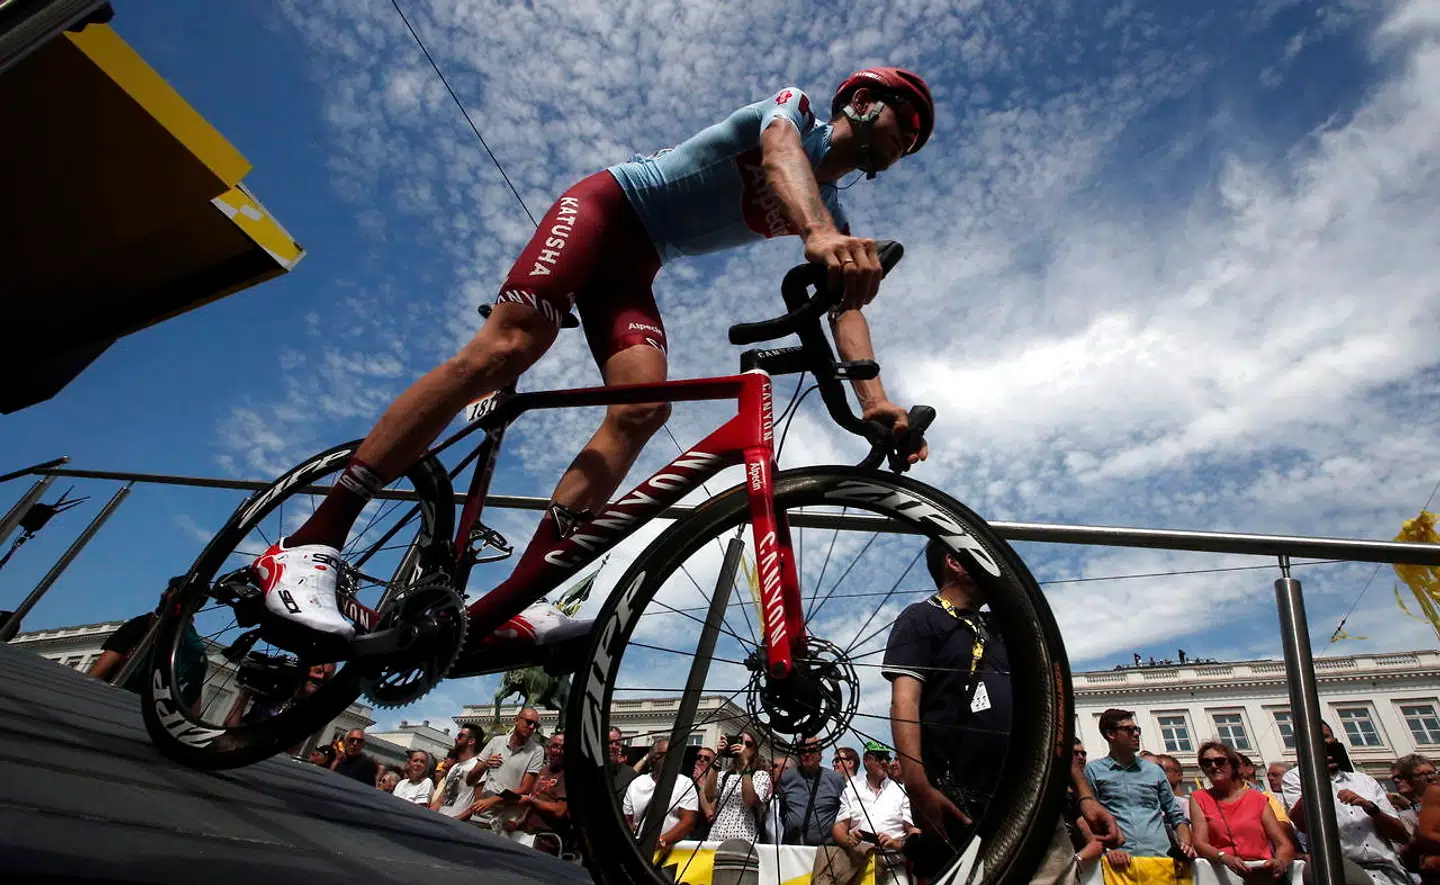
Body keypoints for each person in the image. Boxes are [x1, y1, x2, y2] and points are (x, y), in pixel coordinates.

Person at [249, 68, 936, 656]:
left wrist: (874, 402)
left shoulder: (834, 212)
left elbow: (847, 307)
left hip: (638, 265)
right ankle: (313, 540)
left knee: (642, 407)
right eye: (907, 116)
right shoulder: (798, 112)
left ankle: (522, 595)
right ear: (863, 100)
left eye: (917, 140)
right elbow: (778, 147)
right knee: (511, 345)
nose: (910, 138)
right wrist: (814, 233)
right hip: (605, 208)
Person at [884, 539, 1011, 858]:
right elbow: (905, 702)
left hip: (1026, 789)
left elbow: (1043, 708)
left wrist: (1082, 795)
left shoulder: (1001, 627)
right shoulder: (920, 618)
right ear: (954, 562)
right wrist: (918, 786)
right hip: (959, 799)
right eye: (980, 556)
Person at [1281, 732, 1410, 885]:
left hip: (1390, 874)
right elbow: (1304, 825)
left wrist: (1370, 808)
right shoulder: (1295, 778)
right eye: (1316, 739)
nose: (1324, 743)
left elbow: (1401, 836)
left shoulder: (1364, 780)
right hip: (1342, 874)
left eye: (1327, 737)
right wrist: (1315, 777)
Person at [1085, 708, 1193, 870]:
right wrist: (1108, 850)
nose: (1136, 734)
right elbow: (1090, 819)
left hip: (1161, 859)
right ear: (1111, 734)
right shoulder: (1093, 770)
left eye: (1137, 729)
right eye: (1129, 730)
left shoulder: (1154, 771)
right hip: (1119, 863)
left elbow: (1176, 815)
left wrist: (1185, 845)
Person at [87, 577, 207, 709]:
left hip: (115, 704)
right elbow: (193, 700)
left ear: (172, 594)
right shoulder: (199, 650)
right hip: (155, 720)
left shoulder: (145, 624)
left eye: (168, 589)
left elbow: (104, 665)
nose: (162, 593)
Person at [1189, 741, 1293, 881]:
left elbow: (1283, 843)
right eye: (1206, 763)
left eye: (1219, 761)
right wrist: (1224, 857)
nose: (1213, 766)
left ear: (1232, 765)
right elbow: (1200, 843)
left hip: (1261, 871)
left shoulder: (1257, 798)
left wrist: (1279, 862)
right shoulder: (1198, 798)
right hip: (1222, 873)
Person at [815, 743, 917, 885]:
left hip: (892, 866)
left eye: (887, 758)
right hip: (858, 864)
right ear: (866, 760)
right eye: (879, 757)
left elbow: (913, 830)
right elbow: (839, 827)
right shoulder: (851, 791)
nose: (884, 762)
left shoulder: (900, 791)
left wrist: (897, 843)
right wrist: (847, 840)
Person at [461, 708, 545, 829]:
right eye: (528, 722)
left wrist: (493, 800)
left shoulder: (537, 750)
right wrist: (485, 766)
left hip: (505, 820)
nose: (532, 727)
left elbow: (525, 788)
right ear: (517, 720)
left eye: (535, 725)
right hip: (481, 814)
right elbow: (470, 780)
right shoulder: (496, 741)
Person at [623, 738, 700, 853]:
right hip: (638, 850)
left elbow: (688, 822)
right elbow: (627, 820)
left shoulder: (685, 783)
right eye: (664, 754)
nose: (670, 758)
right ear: (654, 757)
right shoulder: (636, 784)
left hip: (670, 852)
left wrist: (661, 842)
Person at [705, 728, 772, 842]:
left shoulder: (760, 775)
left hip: (744, 839)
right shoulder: (724, 775)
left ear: (754, 751)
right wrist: (719, 757)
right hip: (715, 838)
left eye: (748, 744)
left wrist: (744, 765)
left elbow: (750, 800)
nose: (743, 747)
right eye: (740, 742)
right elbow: (709, 796)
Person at [778, 738, 848, 846]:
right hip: (792, 848)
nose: (806, 754)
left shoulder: (836, 780)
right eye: (802, 751)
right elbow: (783, 811)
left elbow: (844, 813)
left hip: (824, 851)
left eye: (811, 750)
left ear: (820, 755)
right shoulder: (787, 777)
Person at [510, 732, 570, 852]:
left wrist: (531, 801)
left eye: (563, 748)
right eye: (555, 746)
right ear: (548, 748)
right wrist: (518, 823)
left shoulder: (568, 775)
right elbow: (535, 797)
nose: (558, 751)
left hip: (547, 840)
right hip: (528, 836)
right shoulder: (543, 770)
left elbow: (560, 810)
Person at [432, 724, 484, 817]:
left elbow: (477, 803)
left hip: (456, 825)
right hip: (440, 820)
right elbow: (441, 800)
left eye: (460, 736)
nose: (456, 739)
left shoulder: (478, 765)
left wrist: (457, 820)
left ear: (471, 741)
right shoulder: (454, 767)